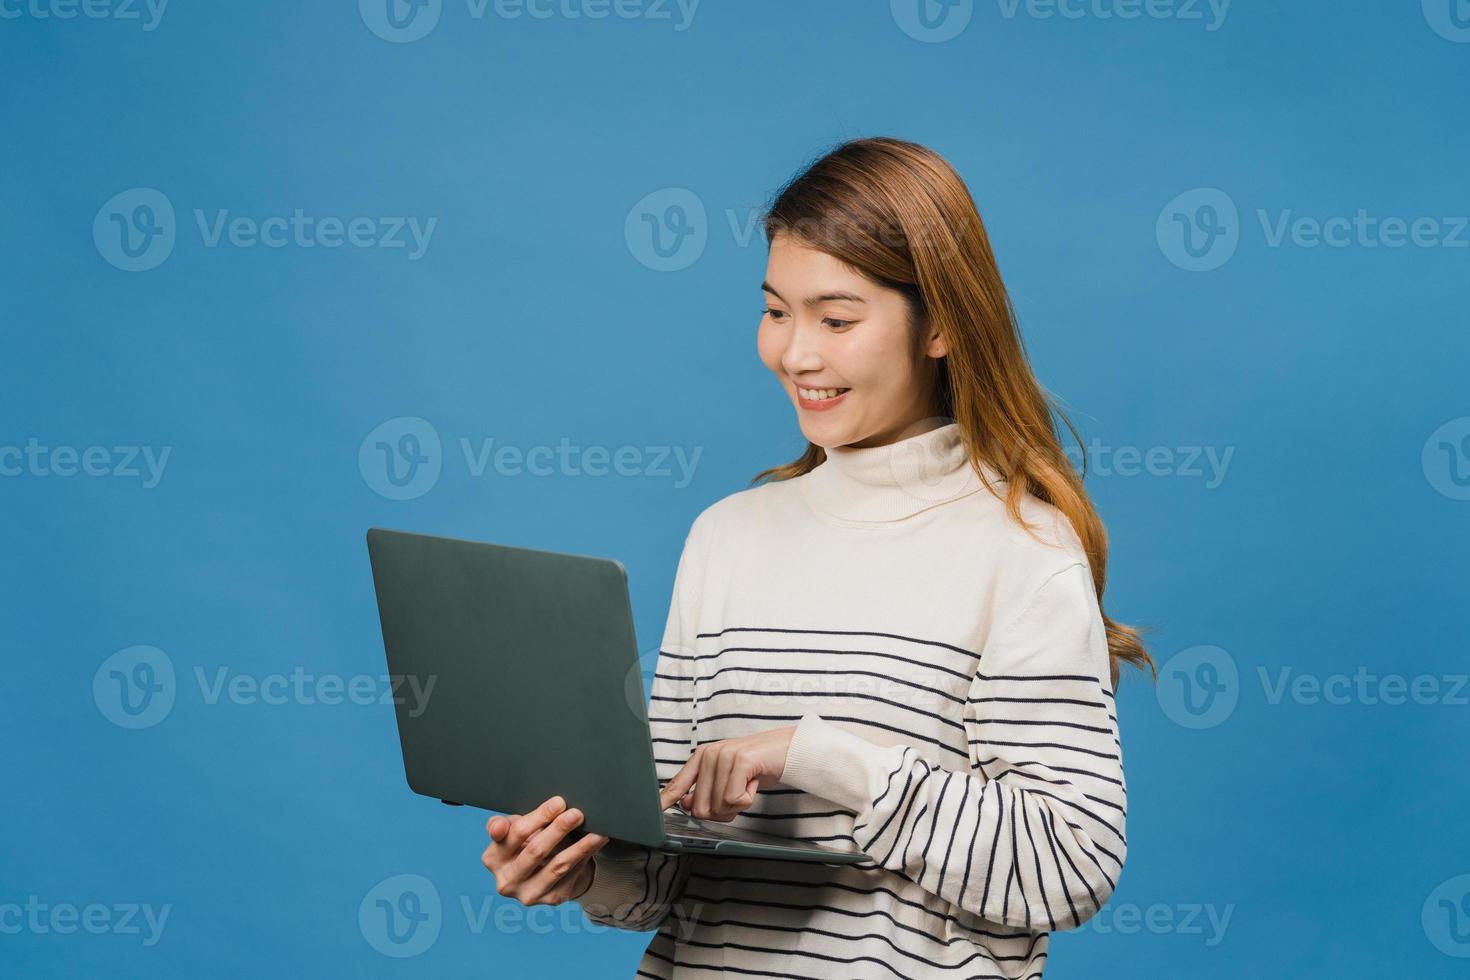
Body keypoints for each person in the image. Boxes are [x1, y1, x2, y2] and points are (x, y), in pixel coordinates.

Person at [479, 136, 1155, 978]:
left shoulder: (1020, 549)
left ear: (940, 323)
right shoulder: (726, 536)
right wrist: (580, 866)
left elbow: (1066, 865)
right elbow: (662, 869)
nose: (796, 353)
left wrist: (814, 753)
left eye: (836, 319)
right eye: (775, 311)